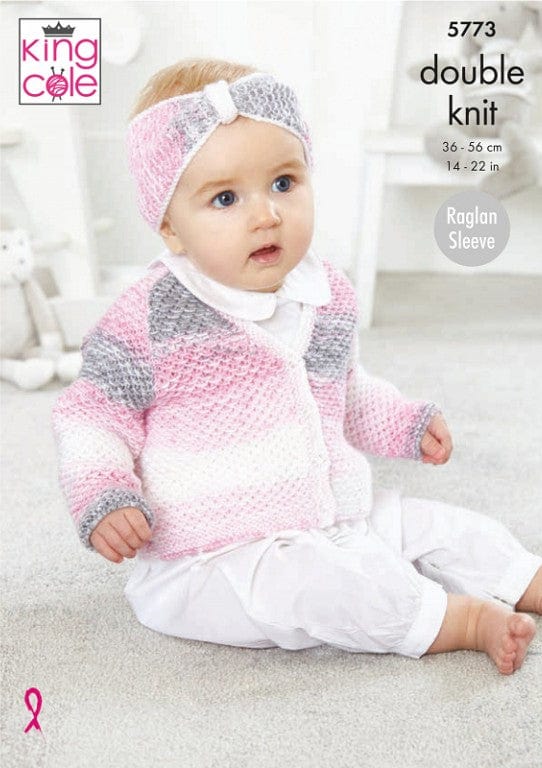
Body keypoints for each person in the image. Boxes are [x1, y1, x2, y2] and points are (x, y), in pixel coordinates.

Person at [51, 57, 542, 676]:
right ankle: (459, 620)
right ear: (171, 228)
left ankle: (523, 577)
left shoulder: (323, 291)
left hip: (330, 513)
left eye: (283, 183)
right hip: (214, 558)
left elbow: (346, 391)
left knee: (436, 527)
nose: (266, 215)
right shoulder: (153, 313)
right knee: (323, 586)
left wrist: (404, 423)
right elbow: (91, 416)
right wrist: (103, 493)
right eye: (225, 198)